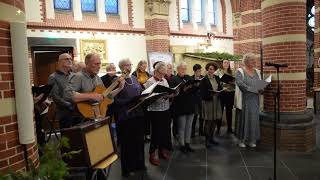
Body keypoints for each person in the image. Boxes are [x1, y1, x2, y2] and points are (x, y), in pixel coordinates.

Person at [64, 53, 124, 125]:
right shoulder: (78, 77)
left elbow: (105, 97)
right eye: (96, 64)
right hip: (82, 119)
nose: (99, 67)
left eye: (99, 64)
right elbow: (67, 95)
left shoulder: (97, 78)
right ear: (87, 63)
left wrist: (119, 88)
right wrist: (92, 96)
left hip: (97, 116)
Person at [113, 58, 146, 177]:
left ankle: (139, 164)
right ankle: (127, 168)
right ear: (121, 67)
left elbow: (141, 91)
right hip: (125, 115)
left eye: (130, 64)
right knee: (127, 144)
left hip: (138, 113)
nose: (129, 67)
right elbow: (113, 99)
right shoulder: (117, 80)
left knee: (138, 141)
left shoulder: (134, 78)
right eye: (126, 65)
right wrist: (130, 100)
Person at [144, 62, 174, 166]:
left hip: (165, 109)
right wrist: (164, 97)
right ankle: (152, 154)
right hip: (155, 111)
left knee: (165, 131)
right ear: (156, 71)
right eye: (161, 73)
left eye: (164, 74)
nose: (162, 76)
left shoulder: (164, 80)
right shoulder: (149, 82)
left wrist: (172, 94)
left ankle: (162, 150)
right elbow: (150, 99)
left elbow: (168, 92)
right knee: (156, 133)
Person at [235, 53, 262, 148]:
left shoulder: (257, 72)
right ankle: (242, 140)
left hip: (254, 100)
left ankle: (252, 139)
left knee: (253, 120)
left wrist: (261, 88)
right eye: (252, 60)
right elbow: (240, 83)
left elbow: (260, 84)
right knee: (244, 119)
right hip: (244, 100)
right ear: (246, 61)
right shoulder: (240, 71)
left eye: (255, 60)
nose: (254, 62)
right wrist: (252, 89)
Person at [171, 61, 196, 153]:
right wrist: (183, 90)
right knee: (182, 127)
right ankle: (182, 145)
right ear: (177, 69)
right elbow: (174, 93)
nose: (184, 70)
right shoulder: (174, 79)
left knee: (189, 126)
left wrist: (195, 86)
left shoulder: (188, 77)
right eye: (182, 68)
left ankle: (187, 143)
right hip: (181, 106)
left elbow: (193, 89)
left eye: (185, 68)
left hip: (190, 105)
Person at [200, 62, 223, 148]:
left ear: (215, 70)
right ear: (207, 69)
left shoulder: (217, 78)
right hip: (208, 102)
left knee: (214, 120)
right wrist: (210, 95)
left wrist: (221, 90)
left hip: (216, 101)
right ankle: (207, 141)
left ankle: (211, 138)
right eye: (210, 69)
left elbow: (219, 87)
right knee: (208, 121)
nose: (211, 70)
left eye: (213, 69)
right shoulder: (204, 79)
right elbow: (202, 93)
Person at [48, 53, 73, 128]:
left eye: (70, 59)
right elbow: (55, 96)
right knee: (67, 136)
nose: (70, 61)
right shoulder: (53, 77)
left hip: (78, 110)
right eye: (66, 59)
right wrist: (69, 105)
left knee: (79, 135)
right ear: (60, 62)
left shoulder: (73, 75)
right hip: (64, 112)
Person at [132, 60, 152, 142]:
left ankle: (147, 134)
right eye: (143, 66)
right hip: (139, 97)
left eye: (145, 66)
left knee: (147, 117)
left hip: (147, 96)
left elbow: (150, 82)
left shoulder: (147, 74)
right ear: (139, 66)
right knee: (141, 117)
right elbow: (134, 85)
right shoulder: (134, 74)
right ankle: (141, 135)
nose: (144, 68)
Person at [215, 60, 235, 134]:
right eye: (225, 62)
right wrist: (221, 84)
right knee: (220, 111)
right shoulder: (218, 71)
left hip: (230, 93)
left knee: (229, 111)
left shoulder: (232, 72)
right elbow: (215, 80)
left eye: (227, 63)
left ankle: (229, 128)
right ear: (222, 64)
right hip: (222, 93)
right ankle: (218, 128)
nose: (226, 64)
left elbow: (235, 82)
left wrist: (232, 82)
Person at [191, 64, 204, 137]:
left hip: (201, 99)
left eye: (200, 71)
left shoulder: (203, 78)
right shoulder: (191, 78)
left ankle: (201, 131)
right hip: (194, 99)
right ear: (194, 71)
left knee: (202, 116)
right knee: (194, 116)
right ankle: (192, 132)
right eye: (198, 71)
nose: (199, 72)